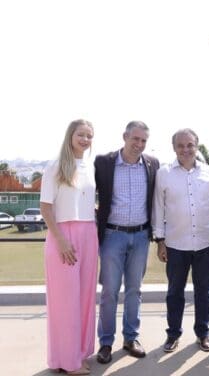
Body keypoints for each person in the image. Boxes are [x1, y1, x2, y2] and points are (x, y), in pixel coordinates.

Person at [152, 128, 209, 353]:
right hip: (175, 243)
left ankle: (203, 334)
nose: (186, 149)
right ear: (174, 148)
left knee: (204, 292)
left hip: (205, 241)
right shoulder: (164, 173)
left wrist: (205, 208)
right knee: (175, 292)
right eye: (181, 145)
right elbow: (158, 208)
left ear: (197, 145)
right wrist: (160, 241)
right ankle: (173, 335)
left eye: (190, 145)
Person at [94, 121, 160, 364]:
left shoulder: (152, 164)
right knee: (109, 292)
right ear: (125, 137)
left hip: (141, 237)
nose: (139, 144)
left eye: (144, 140)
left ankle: (131, 338)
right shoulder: (103, 162)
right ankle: (106, 343)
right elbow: (86, 189)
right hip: (112, 236)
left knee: (135, 290)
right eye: (135, 139)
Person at [40, 119, 97, 375]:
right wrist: (62, 240)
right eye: (81, 135)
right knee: (65, 302)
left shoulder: (89, 166)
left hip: (88, 233)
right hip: (63, 235)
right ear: (70, 136)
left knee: (85, 298)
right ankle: (67, 361)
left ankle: (80, 353)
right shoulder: (55, 166)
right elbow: (46, 208)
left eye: (89, 135)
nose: (85, 139)